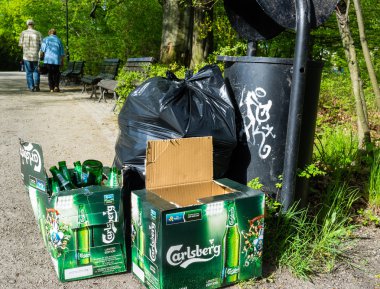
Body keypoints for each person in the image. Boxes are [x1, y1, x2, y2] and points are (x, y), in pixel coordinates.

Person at [19, 19, 42, 92]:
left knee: (28, 72)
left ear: (27, 25)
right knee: (36, 71)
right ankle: (36, 85)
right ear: (33, 25)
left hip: (26, 55)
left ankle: (31, 87)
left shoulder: (23, 33)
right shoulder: (38, 33)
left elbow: (20, 45)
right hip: (36, 55)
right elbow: (42, 45)